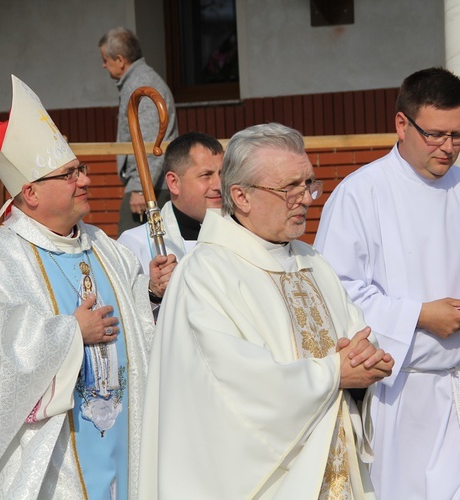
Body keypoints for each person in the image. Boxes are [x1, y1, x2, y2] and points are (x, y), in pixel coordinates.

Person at [0, 75, 176, 499]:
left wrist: (153, 294)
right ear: (30, 192)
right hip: (51, 459)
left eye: (81, 169)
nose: (85, 180)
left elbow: (136, 328)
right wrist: (71, 334)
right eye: (69, 174)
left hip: (123, 441)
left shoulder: (105, 247)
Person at [138, 123, 395, 499]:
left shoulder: (312, 263)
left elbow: (356, 339)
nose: (306, 198)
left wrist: (368, 365)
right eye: (289, 188)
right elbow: (236, 386)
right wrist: (335, 372)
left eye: (308, 184)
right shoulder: (206, 273)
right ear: (240, 195)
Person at [314, 67, 460, 499]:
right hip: (397, 392)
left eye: (458, 134)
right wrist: (421, 317)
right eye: (435, 134)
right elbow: (336, 293)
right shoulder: (361, 193)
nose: (448, 148)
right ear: (401, 124)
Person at [99, 26, 179, 236]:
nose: (103, 65)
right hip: (153, 184)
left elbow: (152, 140)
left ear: (120, 59)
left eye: (105, 59)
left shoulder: (141, 84)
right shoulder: (139, 80)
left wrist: (140, 188)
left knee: (129, 249)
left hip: (152, 186)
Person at [117, 132, 224, 273]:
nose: (219, 185)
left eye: (223, 174)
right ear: (174, 183)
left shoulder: (241, 233)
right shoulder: (135, 244)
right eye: (206, 175)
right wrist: (153, 291)